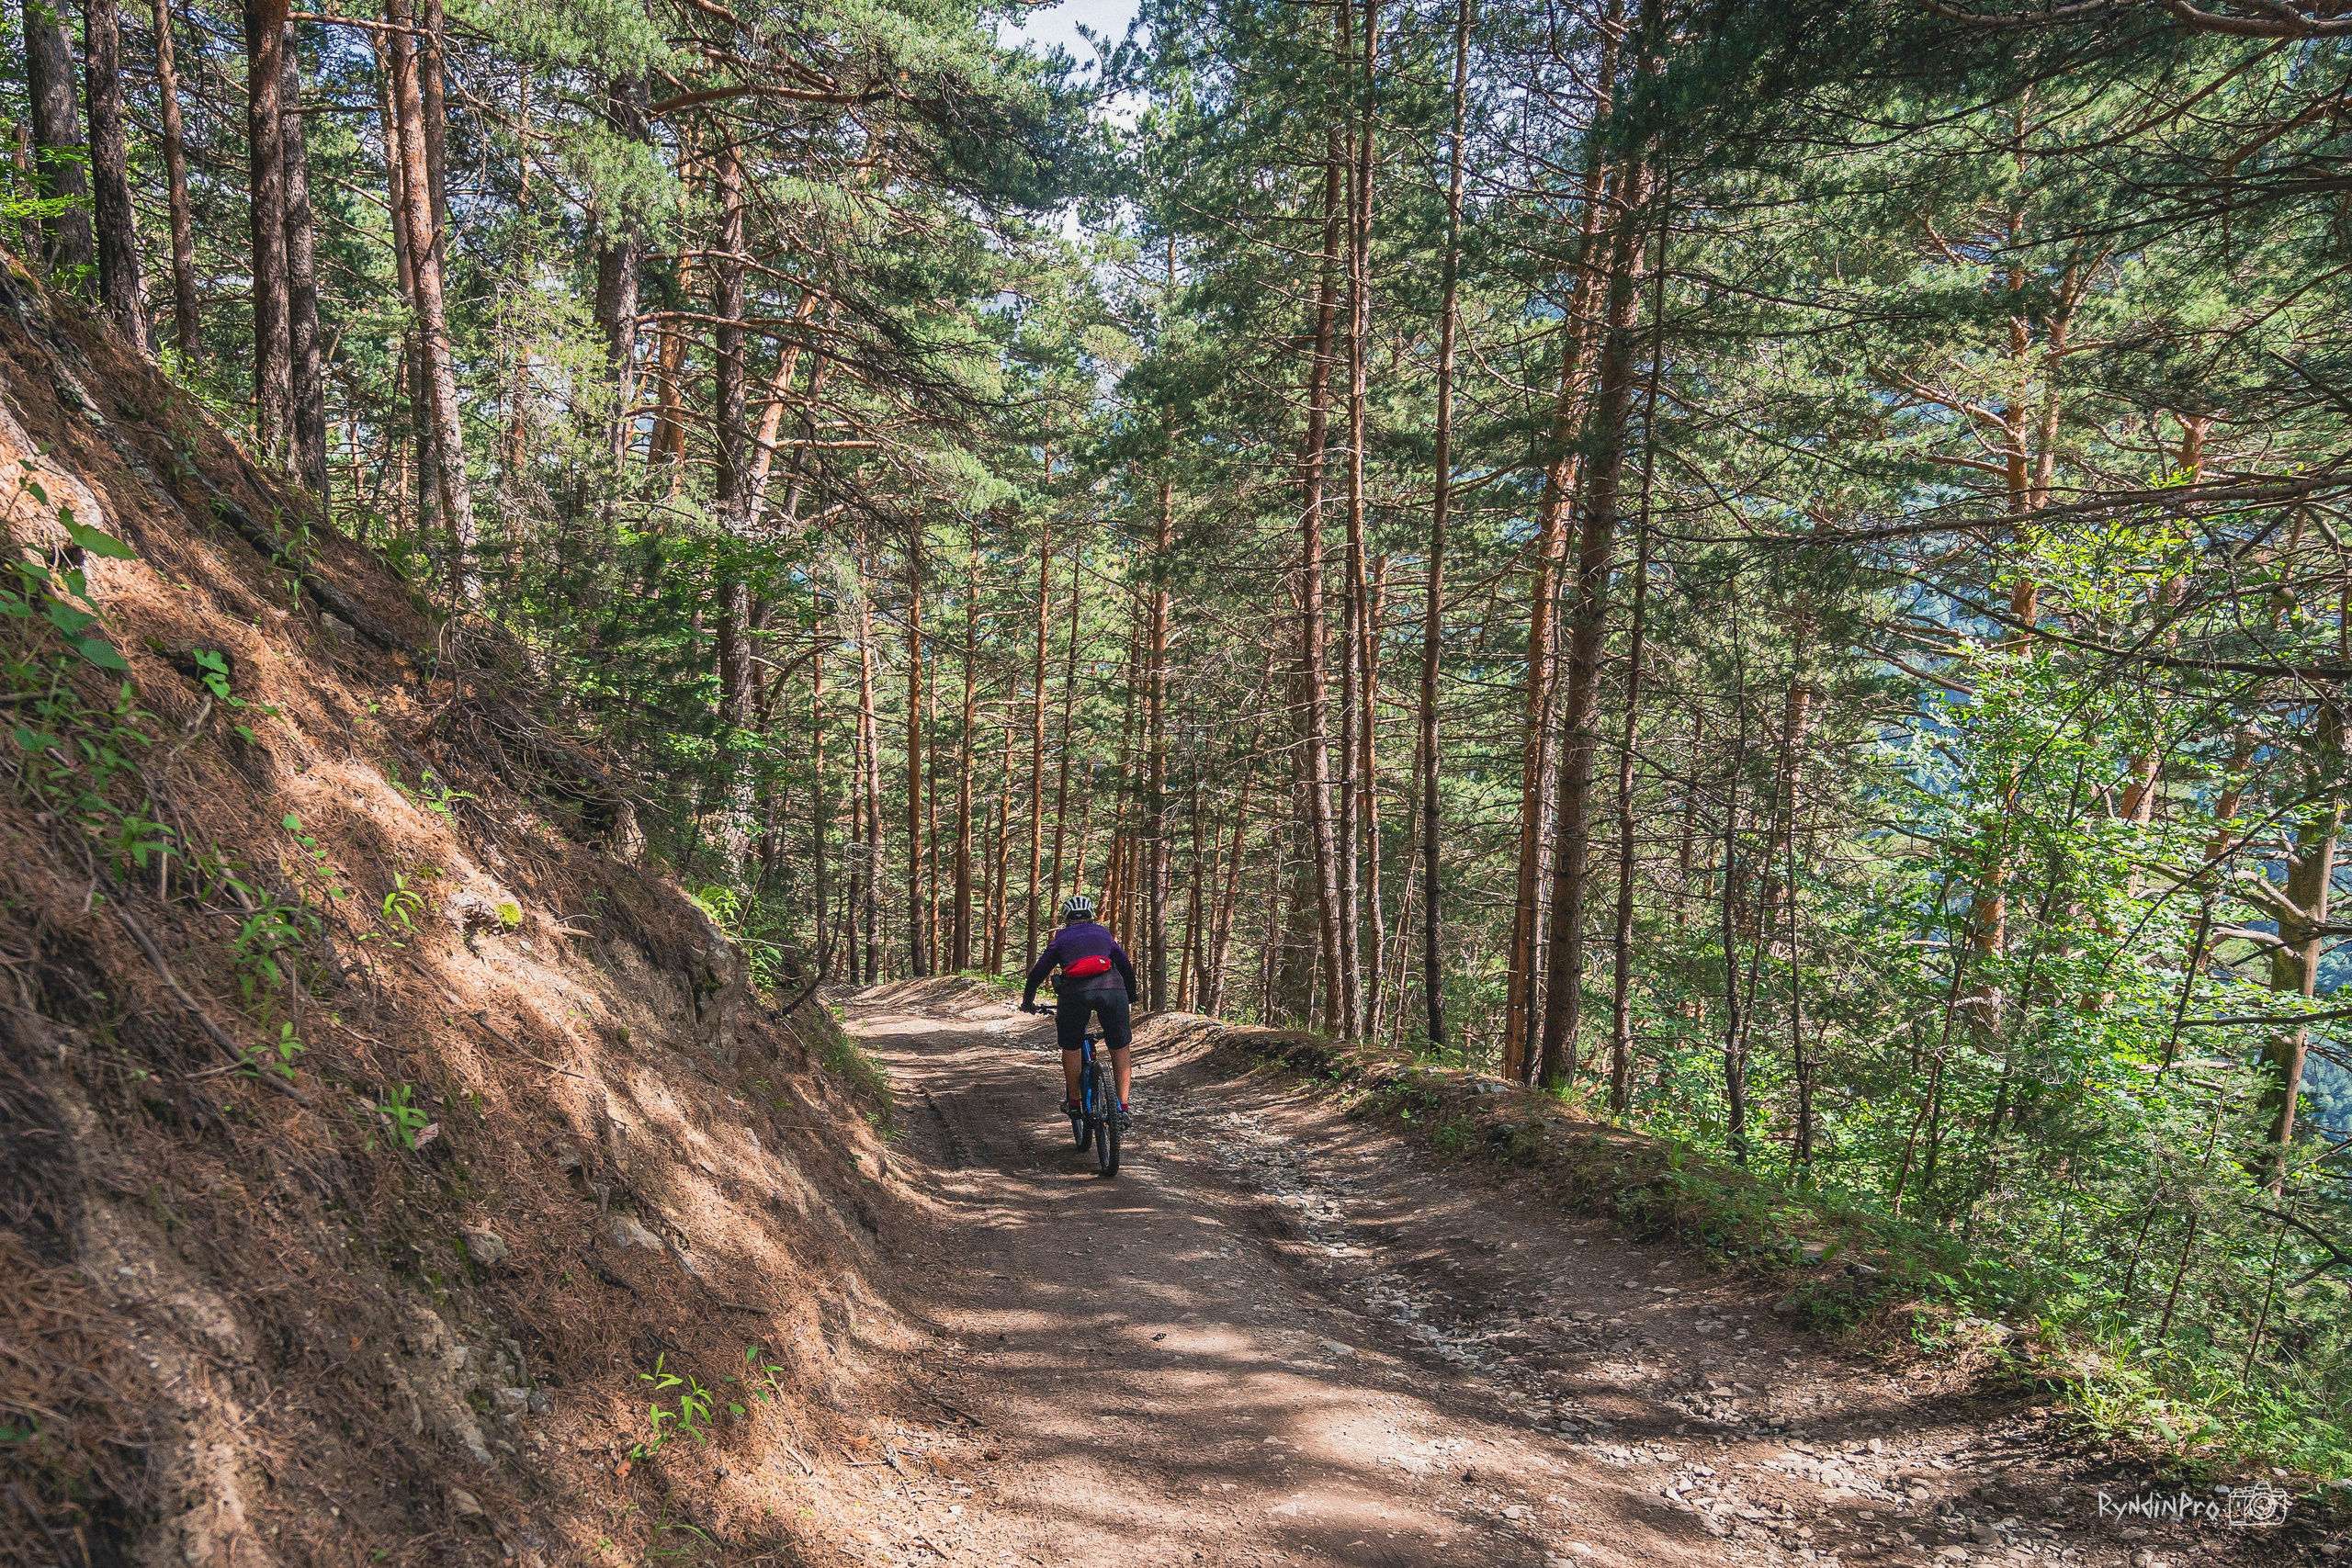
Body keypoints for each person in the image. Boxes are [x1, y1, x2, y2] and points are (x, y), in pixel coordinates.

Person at [1020, 894, 1136, 1130]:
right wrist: (1131, 995)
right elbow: (1124, 965)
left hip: (1075, 994)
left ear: (1066, 919)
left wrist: (1028, 1000)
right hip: (1112, 990)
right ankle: (1123, 1109)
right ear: (1091, 917)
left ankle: (1074, 1102)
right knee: (1120, 1047)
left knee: (1071, 1046)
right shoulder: (1104, 934)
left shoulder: (1061, 938)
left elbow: (1039, 970)